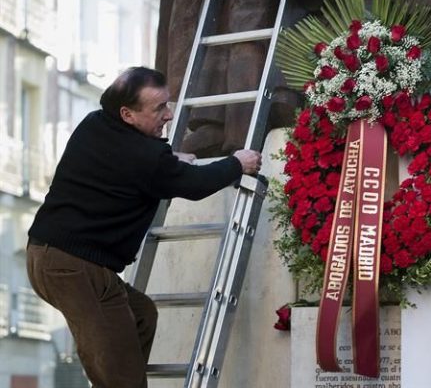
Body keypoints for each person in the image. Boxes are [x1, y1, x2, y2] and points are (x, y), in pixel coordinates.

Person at [25, 67, 262, 388]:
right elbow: (194, 184)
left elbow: (128, 162)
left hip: (47, 256)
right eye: (159, 108)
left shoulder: (95, 124)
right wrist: (238, 163)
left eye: (168, 103)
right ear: (127, 114)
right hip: (74, 267)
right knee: (121, 377)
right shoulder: (146, 156)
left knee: (141, 314)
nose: (169, 115)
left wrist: (171, 159)